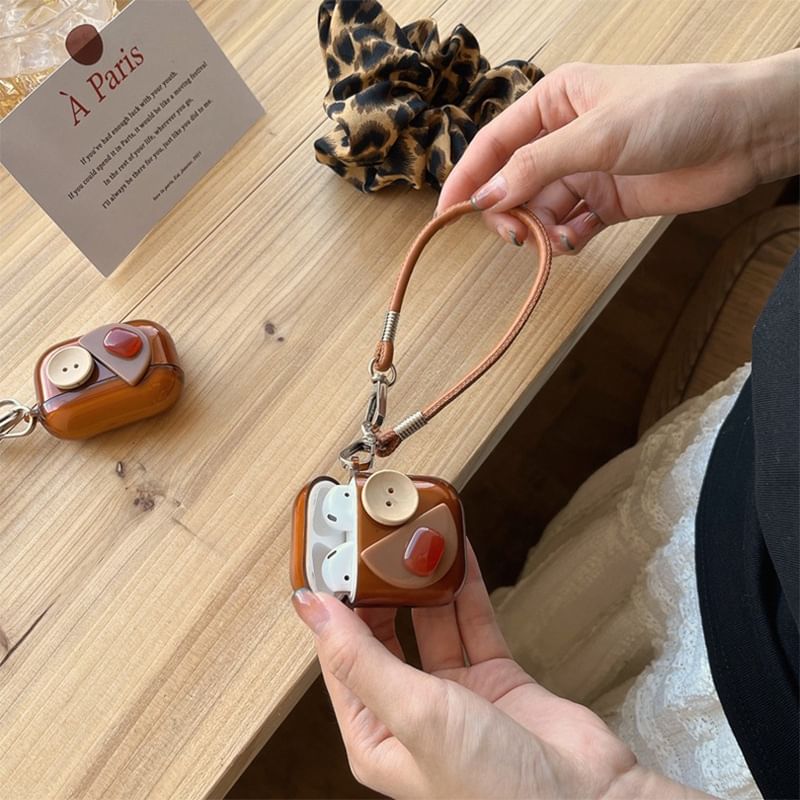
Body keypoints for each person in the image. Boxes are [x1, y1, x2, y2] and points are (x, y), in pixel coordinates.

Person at [292, 50, 799, 799]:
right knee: (574, 618)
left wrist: (608, 795)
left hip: (757, 706)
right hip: (738, 474)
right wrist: (768, 114)